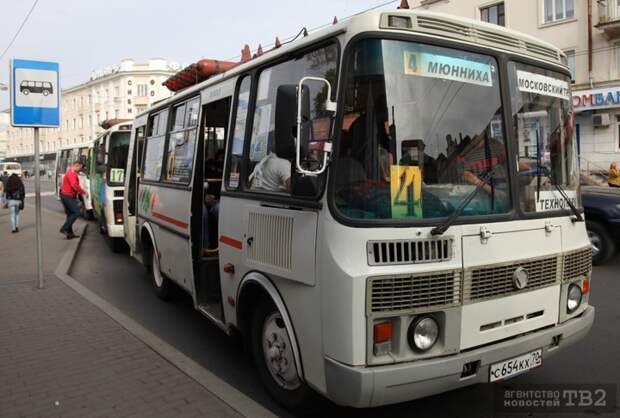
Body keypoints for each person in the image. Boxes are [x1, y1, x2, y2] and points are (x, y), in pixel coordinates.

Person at [59, 161, 86, 239]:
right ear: (77, 166)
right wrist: (83, 192)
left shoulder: (71, 172)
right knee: (77, 212)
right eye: (80, 168)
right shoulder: (72, 173)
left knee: (70, 215)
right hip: (68, 196)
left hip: (66, 196)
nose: (80, 170)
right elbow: (74, 185)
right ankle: (64, 228)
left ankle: (70, 234)